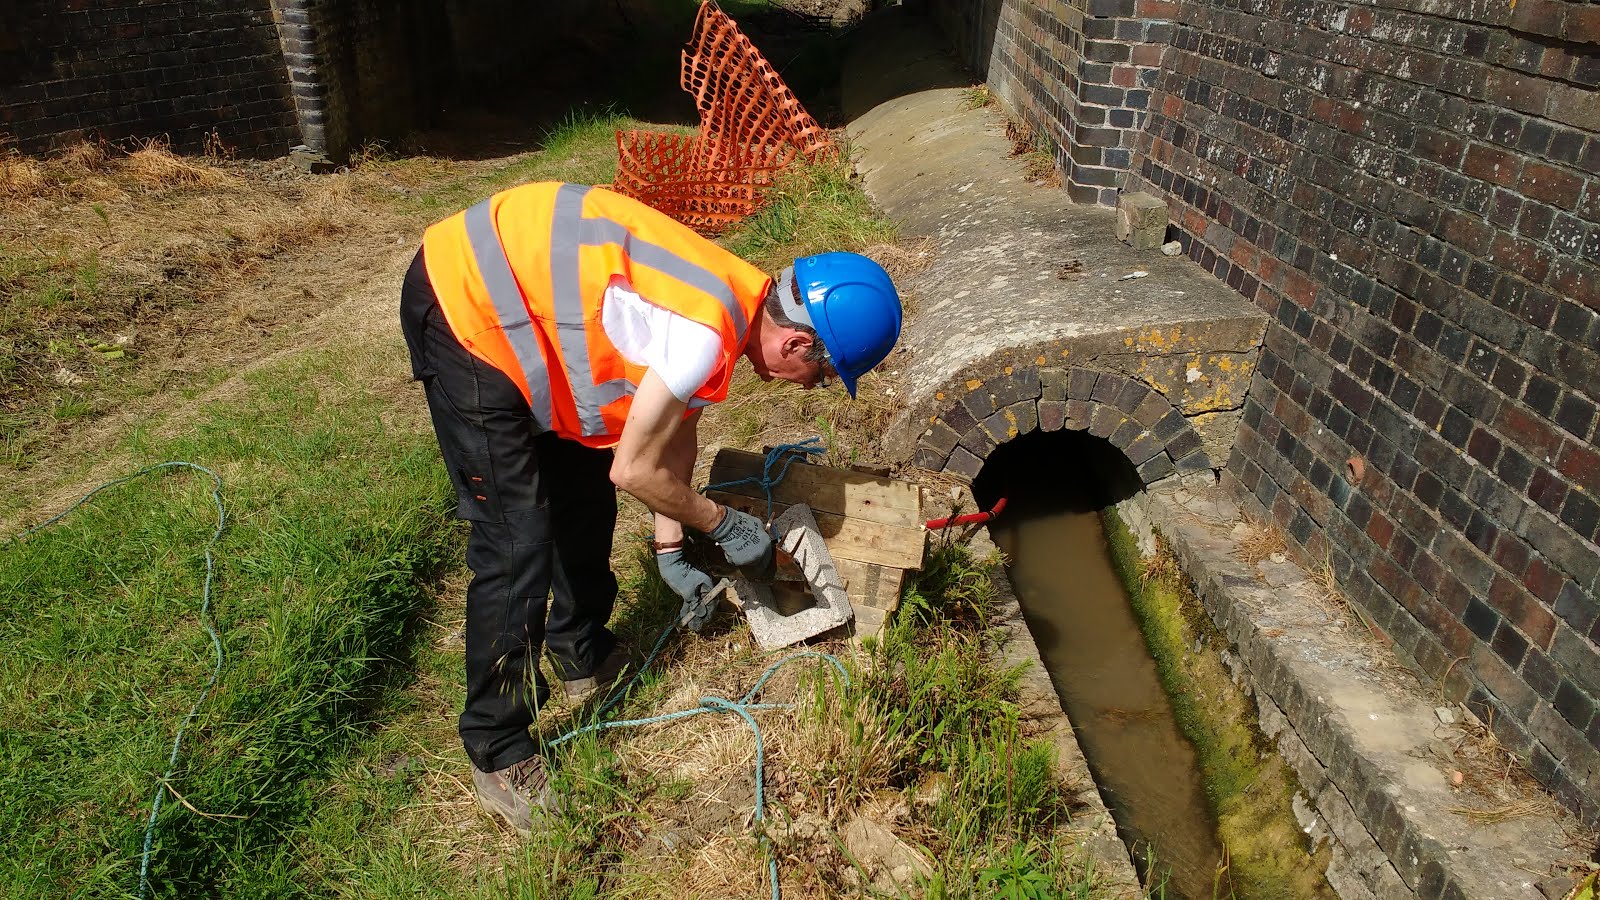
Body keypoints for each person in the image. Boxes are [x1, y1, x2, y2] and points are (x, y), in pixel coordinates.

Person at [399, 181, 902, 835]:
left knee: (583, 488)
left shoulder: (732, 298)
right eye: (825, 375)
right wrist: (723, 524)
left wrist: (670, 548)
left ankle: (577, 647)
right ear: (798, 345)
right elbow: (635, 468)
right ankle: (497, 746)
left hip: (521, 302)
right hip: (465, 304)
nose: (815, 388)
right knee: (516, 539)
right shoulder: (703, 336)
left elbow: (674, 432)